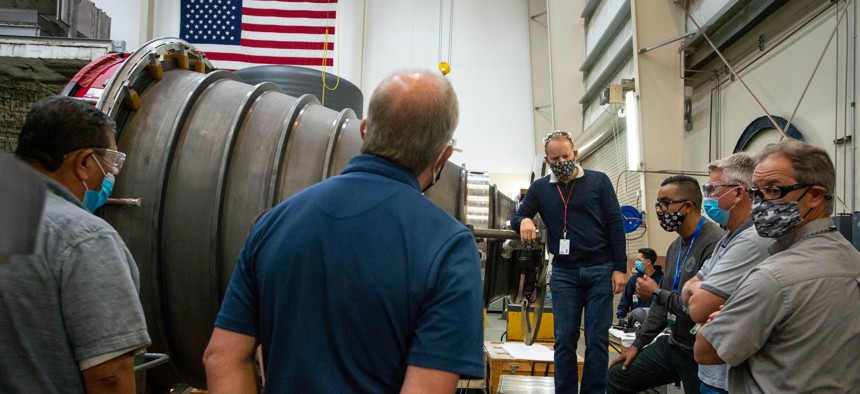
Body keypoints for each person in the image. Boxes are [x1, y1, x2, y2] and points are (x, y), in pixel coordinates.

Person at [203, 69, 484, 392]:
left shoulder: (273, 223)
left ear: (364, 131)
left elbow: (221, 357)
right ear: (443, 156)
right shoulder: (448, 248)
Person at [1, 96, 150, 393]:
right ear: (83, 163)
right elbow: (109, 376)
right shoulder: (85, 240)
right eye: (112, 160)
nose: (112, 174)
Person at [694, 140, 860, 392]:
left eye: (773, 191)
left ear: (815, 195)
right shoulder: (852, 258)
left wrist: (723, 319)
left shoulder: (773, 278)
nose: (759, 204)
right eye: (756, 193)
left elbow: (705, 350)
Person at [511, 130, 627, 393]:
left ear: (575, 154)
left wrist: (620, 268)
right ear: (547, 160)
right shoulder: (541, 188)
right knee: (564, 339)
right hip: (564, 272)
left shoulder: (599, 181)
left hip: (600, 269)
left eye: (566, 156)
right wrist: (525, 220)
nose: (561, 162)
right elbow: (517, 217)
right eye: (555, 158)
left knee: (597, 339)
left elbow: (615, 225)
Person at [606, 175, 724, 394]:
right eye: (657, 204)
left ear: (688, 206)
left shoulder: (715, 244)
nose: (660, 210)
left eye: (665, 203)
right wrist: (637, 344)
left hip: (699, 353)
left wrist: (656, 292)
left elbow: (699, 309)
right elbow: (662, 307)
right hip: (675, 345)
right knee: (616, 378)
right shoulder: (675, 246)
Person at [679, 153, 772, 394]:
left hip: (730, 379)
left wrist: (699, 288)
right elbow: (686, 292)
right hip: (712, 375)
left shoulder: (752, 241)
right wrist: (698, 288)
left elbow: (698, 307)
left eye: (711, 189)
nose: (707, 197)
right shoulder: (729, 238)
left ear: (738, 193)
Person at [616, 247, 663, 323]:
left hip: (656, 322)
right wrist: (620, 317)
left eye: (638, 260)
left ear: (648, 262)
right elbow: (624, 301)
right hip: (637, 322)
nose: (636, 262)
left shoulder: (662, 279)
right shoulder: (634, 280)